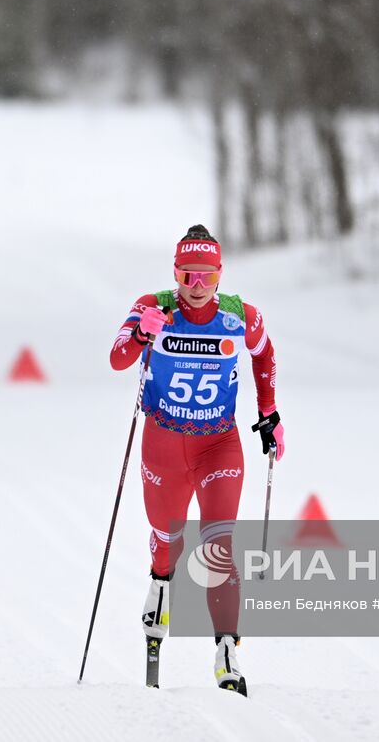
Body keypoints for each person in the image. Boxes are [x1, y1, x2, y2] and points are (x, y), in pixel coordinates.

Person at [109, 224, 283, 696]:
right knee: (169, 540)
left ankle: (226, 649)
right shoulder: (153, 306)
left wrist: (268, 411)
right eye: (188, 276)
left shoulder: (240, 316)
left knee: (219, 546)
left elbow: (264, 354)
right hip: (163, 445)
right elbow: (118, 359)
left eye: (207, 276)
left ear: (220, 275)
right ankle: (160, 584)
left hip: (218, 446)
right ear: (176, 274)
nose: (198, 286)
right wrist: (142, 335)